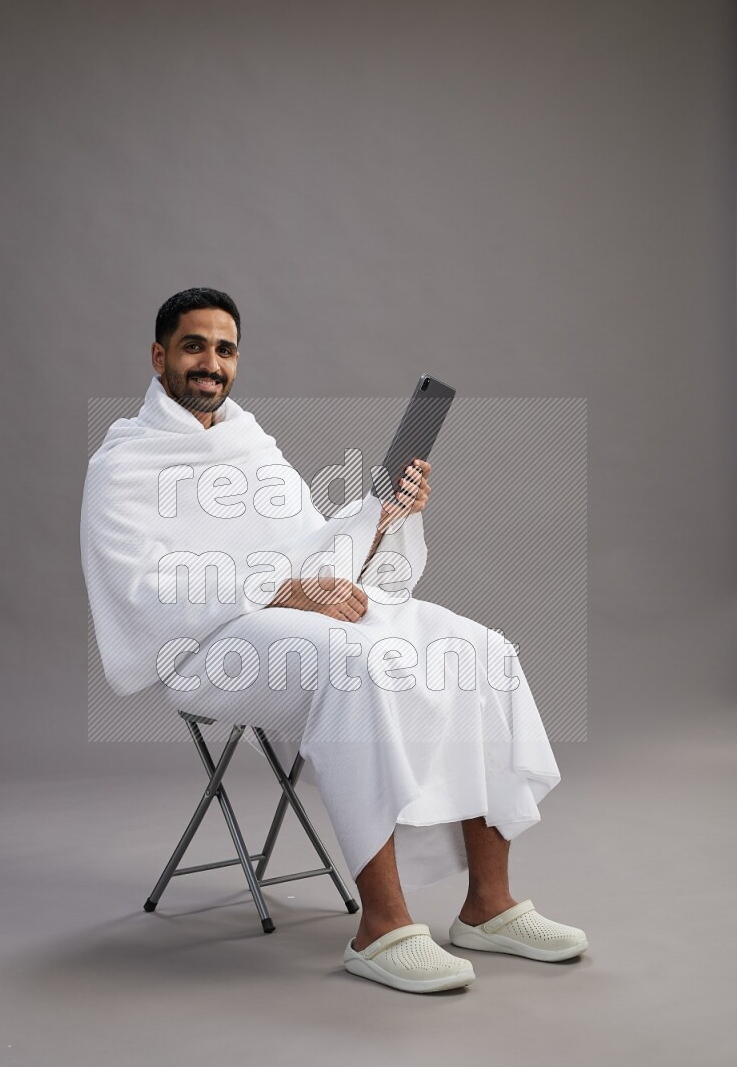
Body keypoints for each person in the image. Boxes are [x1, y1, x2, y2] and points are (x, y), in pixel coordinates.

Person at [81, 287, 588, 995]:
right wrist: (283, 588)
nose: (211, 364)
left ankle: (488, 906)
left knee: (478, 649)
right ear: (159, 356)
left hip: (285, 615)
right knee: (354, 662)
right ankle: (381, 926)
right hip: (201, 645)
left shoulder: (251, 445)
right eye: (194, 346)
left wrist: (384, 514)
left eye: (225, 350)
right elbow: (144, 589)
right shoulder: (123, 465)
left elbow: (315, 547)